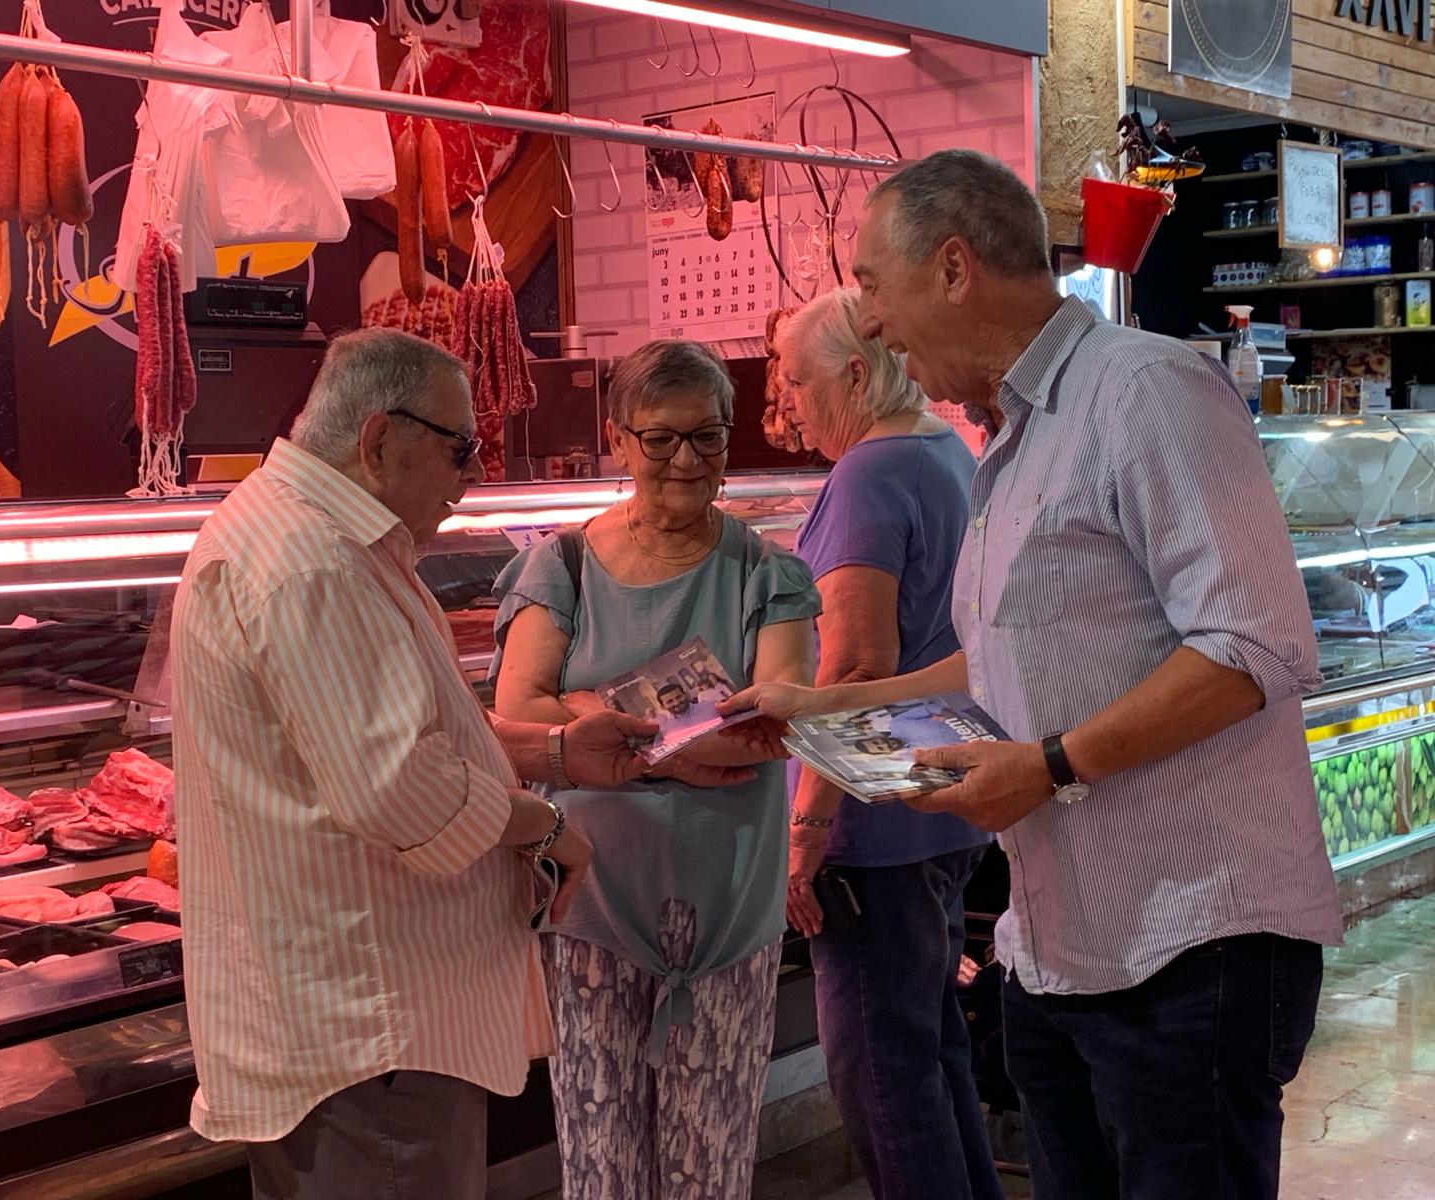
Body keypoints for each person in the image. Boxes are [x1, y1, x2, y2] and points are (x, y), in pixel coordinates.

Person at [728, 150, 1343, 1200]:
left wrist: (1049, 767)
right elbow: (1005, 654)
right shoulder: (1009, 440)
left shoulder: (1144, 390)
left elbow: (1250, 648)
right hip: (1057, 950)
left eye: (873, 287)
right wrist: (813, 708)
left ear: (955, 268)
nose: (869, 326)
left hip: (1188, 945)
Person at [171, 329, 670, 1200]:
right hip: (371, 1039)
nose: (471, 474)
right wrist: (546, 824)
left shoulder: (319, 535)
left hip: (367, 1032)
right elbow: (396, 786)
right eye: (459, 447)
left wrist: (547, 749)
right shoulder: (310, 562)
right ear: (377, 439)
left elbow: (372, 737)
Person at [490, 339, 819, 1200]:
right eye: (660, 438)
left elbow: (775, 726)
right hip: (591, 907)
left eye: (706, 438)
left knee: (707, 1170)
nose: (685, 461)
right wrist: (680, 745)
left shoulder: (769, 573)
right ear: (619, 440)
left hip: (726, 915)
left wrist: (595, 721)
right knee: (602, 1167)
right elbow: (516, 713)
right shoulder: (558, 566)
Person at [775, 286, 1000, 1200]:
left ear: (856, 374)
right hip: (944, 804)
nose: (787, 401)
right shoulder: (948, 449)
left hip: (876, 830)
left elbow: (857, 663)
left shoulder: (868, 474)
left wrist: (806, 830)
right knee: (931, 1048)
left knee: (881, 1075)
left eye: (795, 381)